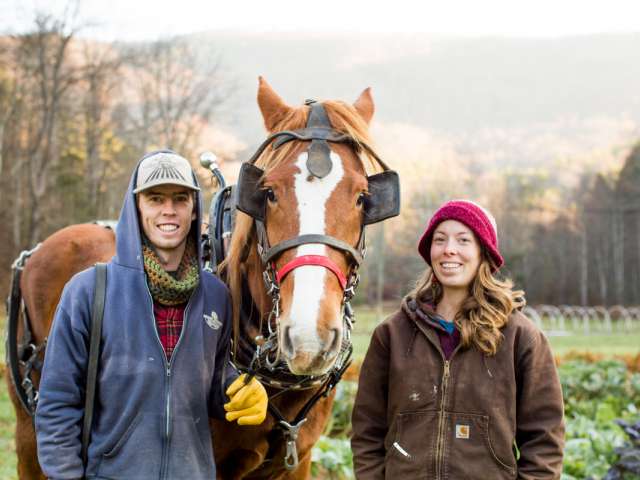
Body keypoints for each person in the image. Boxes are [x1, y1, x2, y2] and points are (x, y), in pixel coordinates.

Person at [35, 150, 268, 479]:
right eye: (155, 198)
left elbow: (210, 380)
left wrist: (236, 387)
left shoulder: (216, 296)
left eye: (180, 199)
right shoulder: (89, 292)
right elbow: (58, 402)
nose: (168, 210)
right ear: (136, 207)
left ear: (193, 209)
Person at [351, 199, 565, 479]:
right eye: (439, 240)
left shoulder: (520, 337)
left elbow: (545, 440)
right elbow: (367, 430)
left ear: (483, 253)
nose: (448, 248)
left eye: (463, 240)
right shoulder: (391, 335)